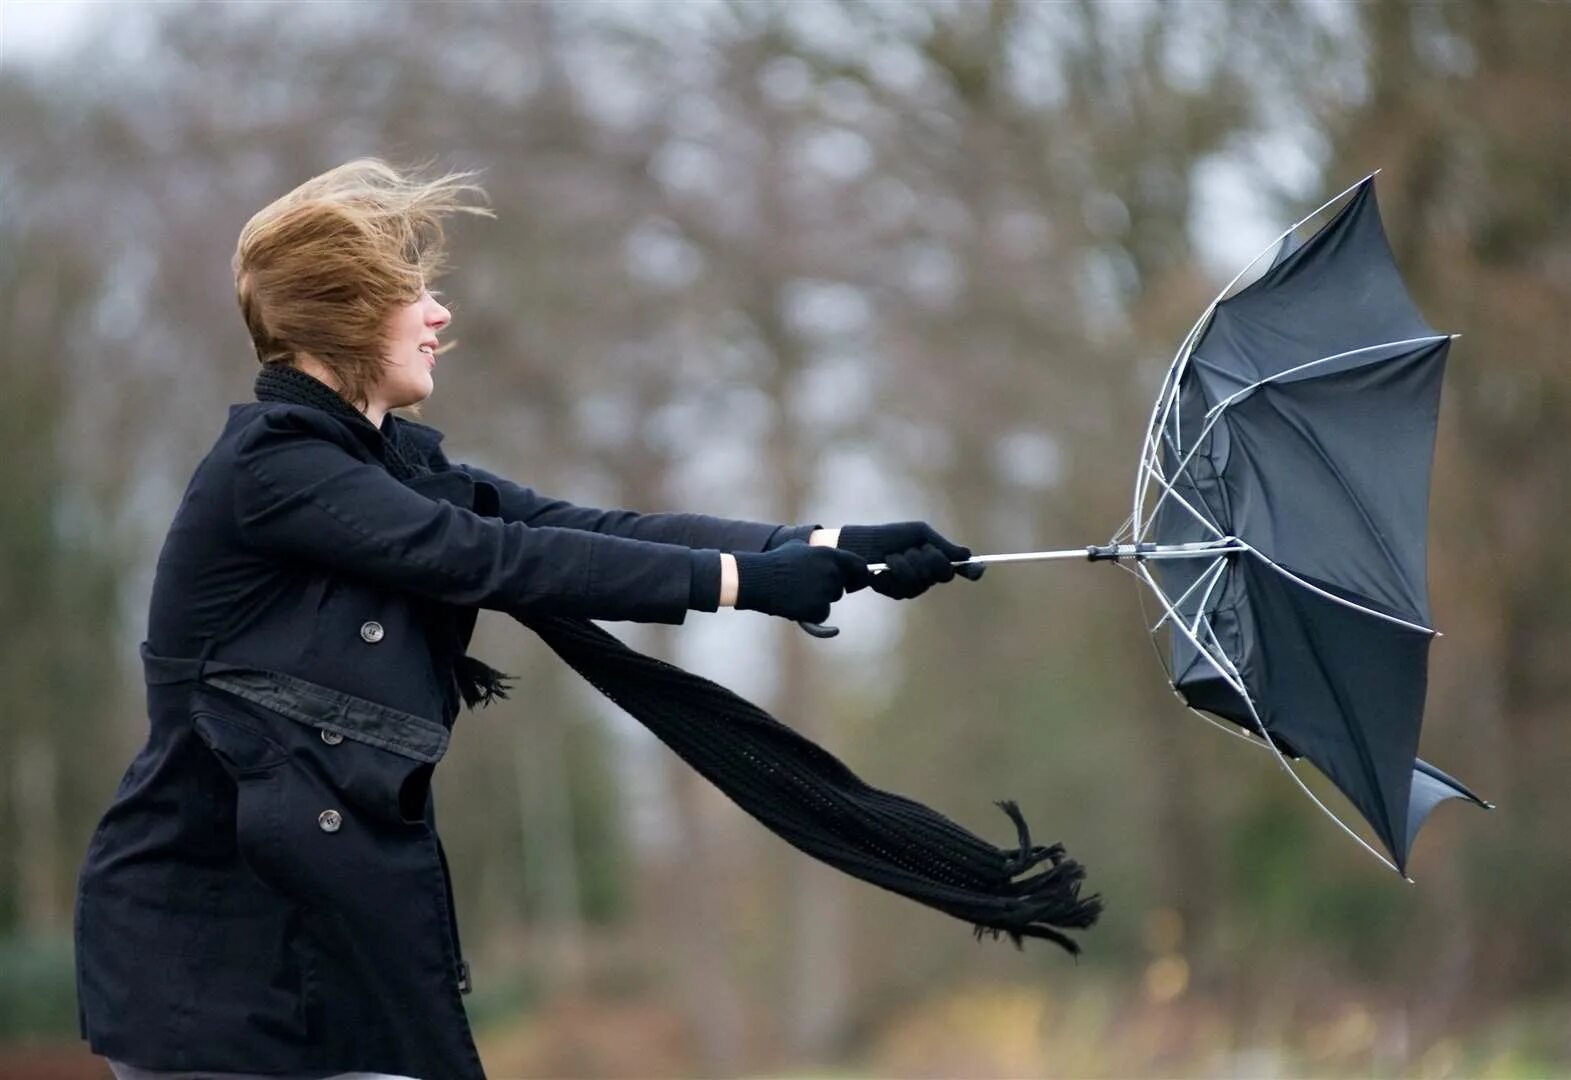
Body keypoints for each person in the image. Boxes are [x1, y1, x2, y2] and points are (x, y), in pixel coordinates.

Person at [72, 158, 982, 1080]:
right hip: (212, 973)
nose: (440, 316)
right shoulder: (271, 471)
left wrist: (824, 543)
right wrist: (745, 584)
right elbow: (487, 558)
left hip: (330, 955)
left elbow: (573, 528)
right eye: (412, 294)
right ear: (346, 313)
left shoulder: (386, 467)